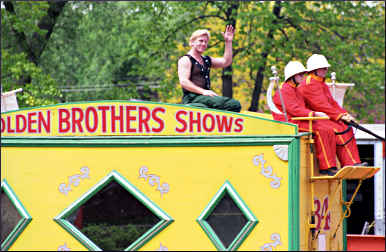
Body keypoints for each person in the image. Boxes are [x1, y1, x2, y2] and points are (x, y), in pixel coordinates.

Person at [297, 54, 367, 173]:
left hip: (324, 117)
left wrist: (345, 114)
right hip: (314, 119)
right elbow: (321, 105)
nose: (326, 70)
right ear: (315, 69)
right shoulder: (309, 84)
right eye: (323, 68)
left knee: (345, 127)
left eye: (326, 68)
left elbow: (332, 103)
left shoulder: (320, 83)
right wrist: (340, 116)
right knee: (338, 129)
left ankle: (353, 162)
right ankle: (338, 165)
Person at [272, 61, 342, 176]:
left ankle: (332, 165)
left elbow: (302, 107)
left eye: (303, 74)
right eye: (300, 75)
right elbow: (294, 110)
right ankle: (326, 167)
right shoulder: (284, 90)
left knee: (328, 128)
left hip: (299, 120)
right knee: (322, 129)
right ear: (292, 76)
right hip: (290, 123)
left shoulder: (296, 89)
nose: (303, 77)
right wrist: (315, 114)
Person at [177, 25, 241, 112]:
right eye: (201, 41)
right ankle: (191, 106)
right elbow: (184, 82)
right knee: (233, 104)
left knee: (208, 108)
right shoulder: (185, 60)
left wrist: (228, 42)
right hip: (192, 97)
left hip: (204, 99)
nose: (203, 44)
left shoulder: (206, 60)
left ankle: (199, 108)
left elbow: (226, 61)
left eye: (206, 42)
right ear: (192, 42)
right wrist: (204, 91)